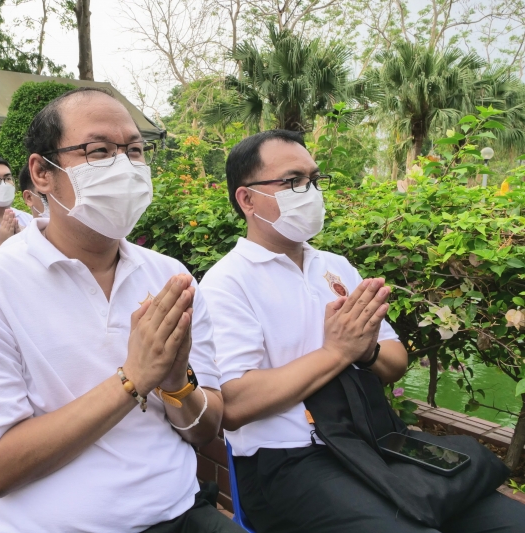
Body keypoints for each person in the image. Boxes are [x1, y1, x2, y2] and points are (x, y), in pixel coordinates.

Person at [0, 87, 243, 533]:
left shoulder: (168, 276)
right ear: (42, 172)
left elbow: (205, 429)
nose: (125, 166)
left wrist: (177, 384)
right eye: (99, 151)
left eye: (136, 150)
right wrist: (132, 380)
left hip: (179, 514)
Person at [198, 130, 525, 533]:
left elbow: (395, 360)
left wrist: (366, 351)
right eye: (292, 181)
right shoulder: (227, 283)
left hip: (375, 440)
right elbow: (233, 405)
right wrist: (336, 352)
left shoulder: (333, 266)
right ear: (247, 199)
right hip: (288, 460)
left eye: (314, 180)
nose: (310, 191)